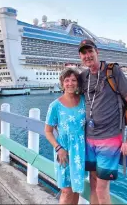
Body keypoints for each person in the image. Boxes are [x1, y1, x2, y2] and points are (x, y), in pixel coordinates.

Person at [78, 39, 127, 204]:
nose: (87, 56)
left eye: (90, 51)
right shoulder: (83, 76)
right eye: (84, 53)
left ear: (97, 52)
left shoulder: (113, 71)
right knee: (92, 182)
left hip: (110, 139)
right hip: (89, 138)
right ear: (80, 56)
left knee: (101, 188)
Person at [44, 68, 86, 204]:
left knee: (76, 189)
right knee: (66, 191)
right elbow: (48, 131)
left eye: (73, 80)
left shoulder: (84, 101)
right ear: (62, 84)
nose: (70, 83)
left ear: (78, 83)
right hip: (63, 151)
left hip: (79, 151)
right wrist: (58, 148)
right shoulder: (55, 106)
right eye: (66, 80)